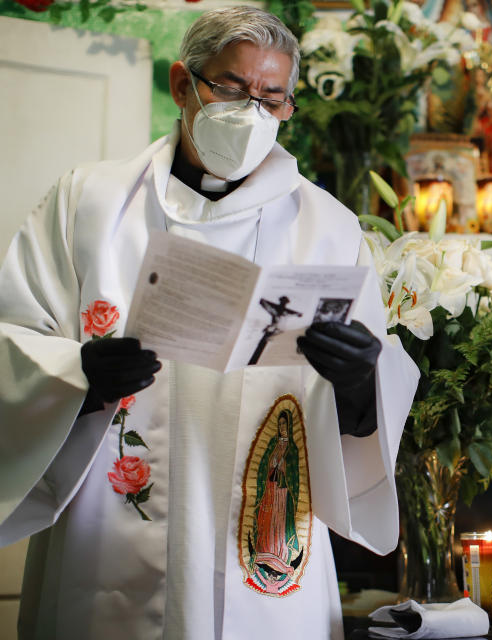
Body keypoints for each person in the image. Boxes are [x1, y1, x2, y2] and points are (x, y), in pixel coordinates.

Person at [0, 7, 418, 640]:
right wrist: (77, 373)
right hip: (102, 535)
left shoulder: (328, 226)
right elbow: (13, 335)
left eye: (271, 97)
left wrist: (363, 382)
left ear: (288, 108)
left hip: (264, 529)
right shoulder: (88, 202)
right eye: (230, 87)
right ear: (182, 84)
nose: (250, 110)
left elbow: (365, 400)